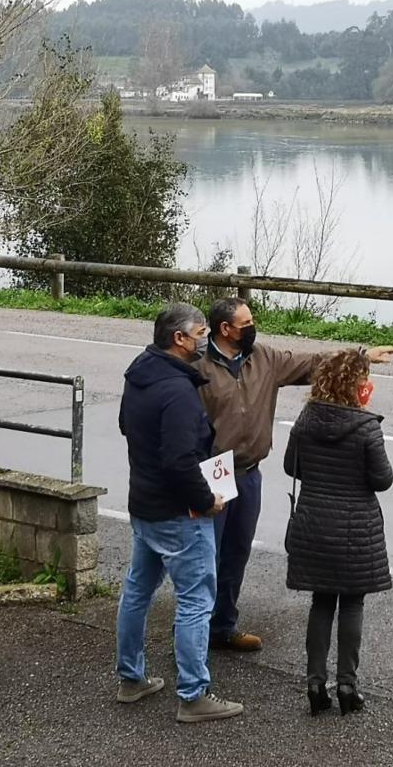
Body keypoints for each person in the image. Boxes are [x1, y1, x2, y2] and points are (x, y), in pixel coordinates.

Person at [196, 296, 393, 653]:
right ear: (225, 329)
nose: (253, 327)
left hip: (249, 470)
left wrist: (361, 356)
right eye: (246, 323)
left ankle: (223, 627)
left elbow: (313, 363)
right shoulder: (197, 366)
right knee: (204, 558)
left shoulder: (264, 358)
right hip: (214, 470)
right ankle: (194, 636)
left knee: (236, 553)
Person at [115, 302, 244, 724]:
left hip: (144, 505)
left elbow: (126, 427)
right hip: (179, 514)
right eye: (202, 332)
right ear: (180, 339)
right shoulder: (179, 394)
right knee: (195, 601)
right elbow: (179, 460)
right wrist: (207, 500)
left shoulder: (139, 374)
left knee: (137, 591)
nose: (206, 338)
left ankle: (131, 679)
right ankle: (193, 694)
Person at [284, 348, 393, 716]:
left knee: (321, 602)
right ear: (355, 385)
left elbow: (290, 466)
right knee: (352, 603)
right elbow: (383, 479)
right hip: (354, 529)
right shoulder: (366, 427)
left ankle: (315, 682)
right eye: (365, 379)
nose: (369, 385)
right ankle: (347, 684)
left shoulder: (306, 419)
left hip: (313, 522)